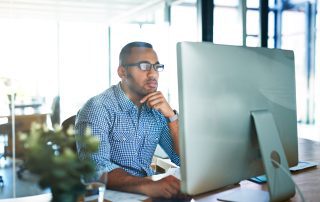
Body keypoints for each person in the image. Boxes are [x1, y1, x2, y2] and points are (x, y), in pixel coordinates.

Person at [75, 41, 180, 198]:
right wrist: (148, 185)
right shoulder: (98, 108)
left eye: (156, 67)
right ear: (122, 72)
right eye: (144, 66)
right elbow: (97, 168)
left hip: (147, 193)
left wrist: (172, 117)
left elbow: (181, 159)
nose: (153, 74)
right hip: (110, 196)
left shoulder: (158, 109)